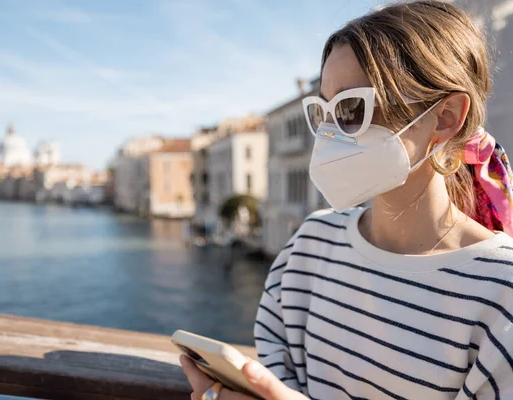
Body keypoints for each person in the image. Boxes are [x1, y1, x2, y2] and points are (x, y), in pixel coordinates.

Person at [181, 1, 513, 399]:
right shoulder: (308, 246)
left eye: (351, 108)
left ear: (444, 116)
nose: (328, 136)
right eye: (322, 112)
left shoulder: (502, 292)